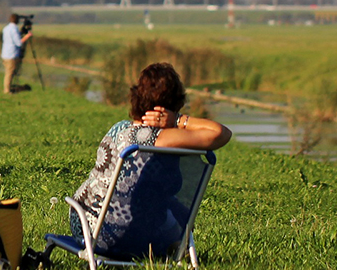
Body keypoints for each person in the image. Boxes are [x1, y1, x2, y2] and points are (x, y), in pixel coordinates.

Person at [68, 62, 231, 258]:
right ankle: (177, 249)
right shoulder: (164, 140)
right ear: (172, 105)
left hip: (90, 230)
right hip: (140, 238)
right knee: (171, 214)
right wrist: (178, 120)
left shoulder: (119, 129)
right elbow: (221, 133)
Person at [2, 13, 33, 93]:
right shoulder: (14, 29)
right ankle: (7, 90)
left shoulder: (6, 28)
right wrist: (27, 36)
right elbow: (19, 43)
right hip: (11, 54)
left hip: (5, 53)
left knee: (8, 72)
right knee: (10, 73)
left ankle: (8, 88)